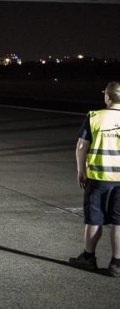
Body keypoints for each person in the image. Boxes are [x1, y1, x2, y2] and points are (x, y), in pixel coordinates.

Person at [69, 81, 120, 277]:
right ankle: (116, 264)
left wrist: (80, 170)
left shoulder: (95, 117)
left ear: (107, 97)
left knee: (94, 219)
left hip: (99, 177)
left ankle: (88, 258)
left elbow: (82, 147)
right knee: (118, 222)